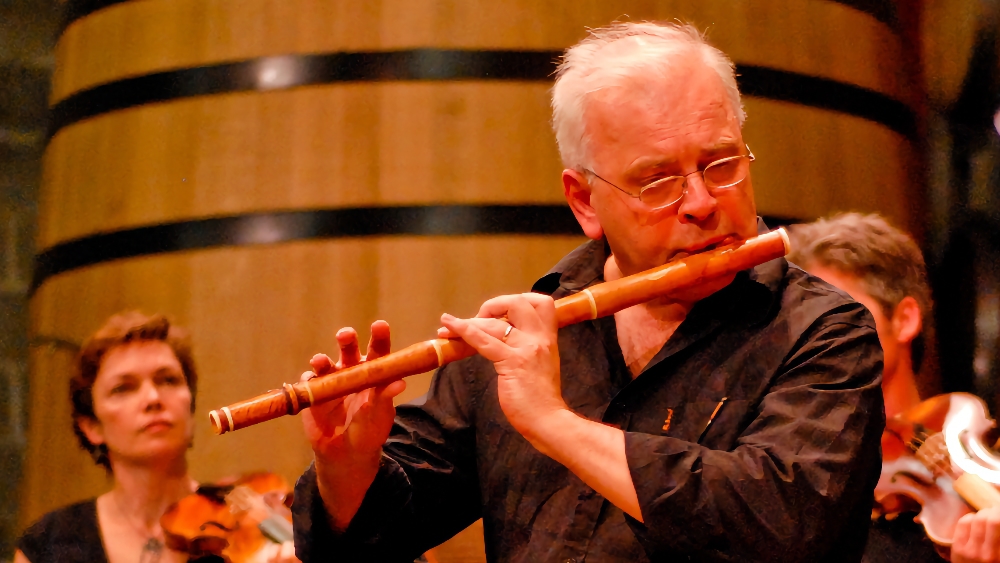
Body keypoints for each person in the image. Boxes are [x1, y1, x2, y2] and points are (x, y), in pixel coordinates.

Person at [292, 22, 885, 562]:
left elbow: (785, 529)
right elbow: (372, 541)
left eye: (722, 163)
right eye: (657, 182)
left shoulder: (825, 330)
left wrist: (552, 421)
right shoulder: (527, 339)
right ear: (584, 201)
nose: (703, 203)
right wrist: (346, 466)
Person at [789, 213, 1000, 563]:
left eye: (835, 316)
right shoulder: (799, 493)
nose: (815, 341)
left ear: (904, 320)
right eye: (801, 324)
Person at [14, 311, 297, 563]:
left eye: (168, 380)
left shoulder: (246, 513)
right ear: (91, 427)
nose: (152, 398)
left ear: (190, 403)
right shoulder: (48, 544)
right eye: (123, 388)